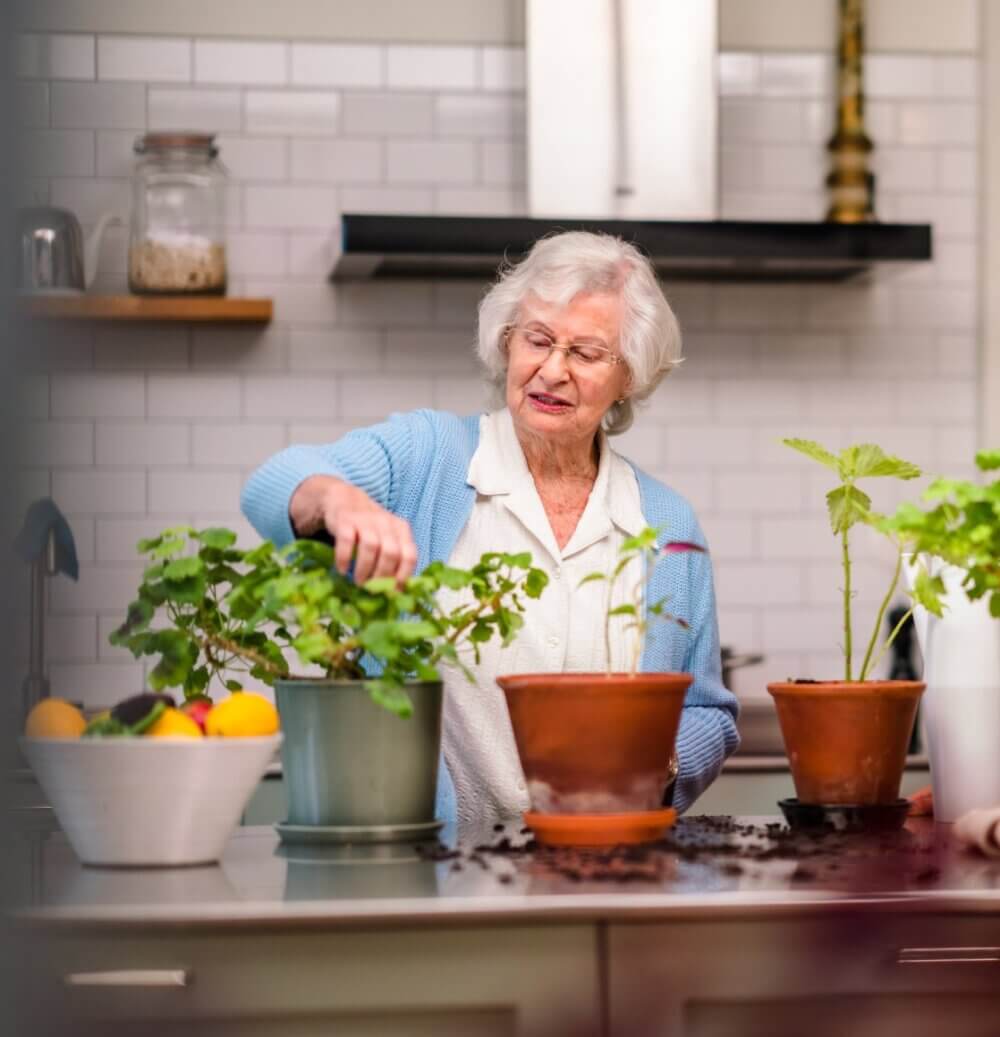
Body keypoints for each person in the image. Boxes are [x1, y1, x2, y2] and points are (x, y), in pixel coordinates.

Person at [241, 230, 739, 833]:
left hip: (601, 868)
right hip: (431, 873)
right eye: (537, 340)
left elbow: (710, 712)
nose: (551, 371)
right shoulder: (430, 456)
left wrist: (659, 760)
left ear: (627, 376)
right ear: (507, 343)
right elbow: (274, 482)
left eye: (584, 353)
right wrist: (339, 500)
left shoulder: (665, 523)